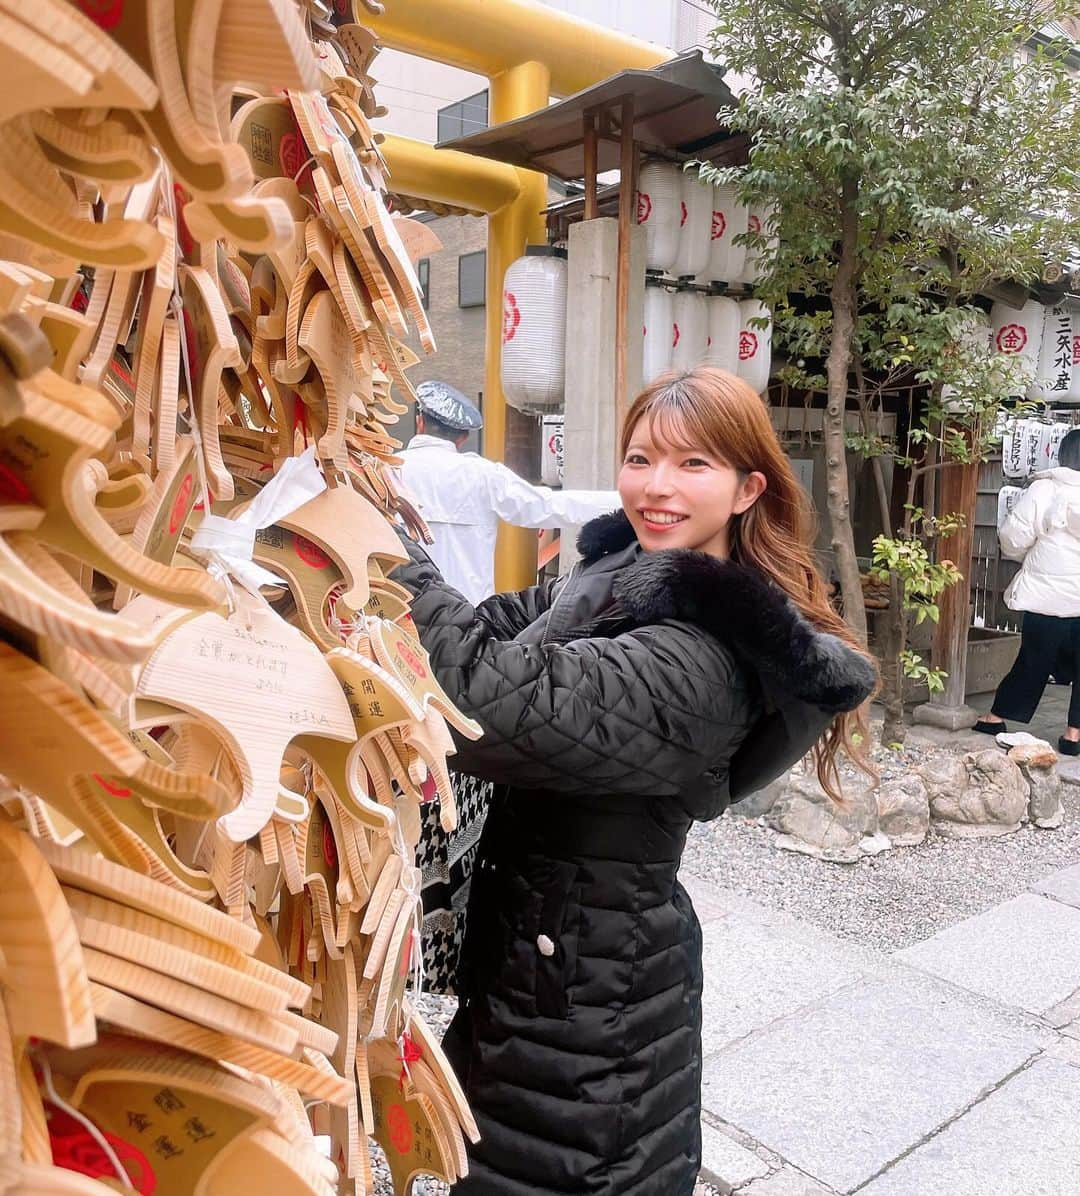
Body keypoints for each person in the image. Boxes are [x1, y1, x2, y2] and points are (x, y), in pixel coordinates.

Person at [392, 367, 876, 1196]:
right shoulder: (613, 575)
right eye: (641, 458)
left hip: (592, 1000)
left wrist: (378, 552)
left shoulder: (704, 654)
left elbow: (484, 700)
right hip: (543, 961)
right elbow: (496, 632)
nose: (657, 487)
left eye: (693, 466)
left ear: (746, 487)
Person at [398, 379, 621, 604]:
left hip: (400, 613)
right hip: (468, 613)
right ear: (463, 437)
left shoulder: (386, 471)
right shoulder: (484, 475)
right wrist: (623, 501)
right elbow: (549, 506)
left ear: (420, 423)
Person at [974, 428, 1080, 755]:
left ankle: (996, 717)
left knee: (1033, 659)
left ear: (1063, 455)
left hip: (1045, 594)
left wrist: (1028, 555)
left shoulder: (1045, 489)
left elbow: (1013, 535)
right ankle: (1073, 735)